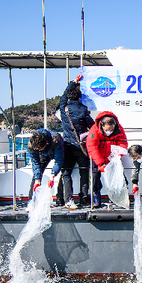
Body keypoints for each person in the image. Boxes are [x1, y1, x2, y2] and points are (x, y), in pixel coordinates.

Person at [59, 75, 95, 210]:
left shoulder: (64, 108)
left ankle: (68, 199)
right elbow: (92, 126)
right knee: (84, 171)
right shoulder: (83, 110)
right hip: (81, 147)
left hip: (67, 146)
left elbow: (62, 97)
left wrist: (73, 82)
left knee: (66, 173)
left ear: (68, 98)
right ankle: (84, 198)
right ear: (80, 98)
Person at [86, 111, 128, 208]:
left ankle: (117, 198)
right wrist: (100, 164)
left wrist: (118, 154)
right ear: (102, 125)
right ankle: (96, 198)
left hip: (112, 158)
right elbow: (92, 147)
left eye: (111, 130)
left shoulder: (119, 128)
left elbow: (123, 142)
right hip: (98, 158)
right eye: (107, 130)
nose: (109, 132)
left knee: (119, 177)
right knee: (95, 178)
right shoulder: (94, 130)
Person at [28, 129, 64, 199]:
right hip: (44, 155)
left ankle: (60, 198)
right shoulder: (31, 145)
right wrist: (37, 180)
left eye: (40, 148)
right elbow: (35, 163)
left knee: (65, 171)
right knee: (37, 174)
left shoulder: (56, 139)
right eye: (37, 149)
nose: (38, 150)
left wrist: (52, 176)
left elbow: (59, 160)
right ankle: (31, 200)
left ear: (46, 143)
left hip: (56, 150)